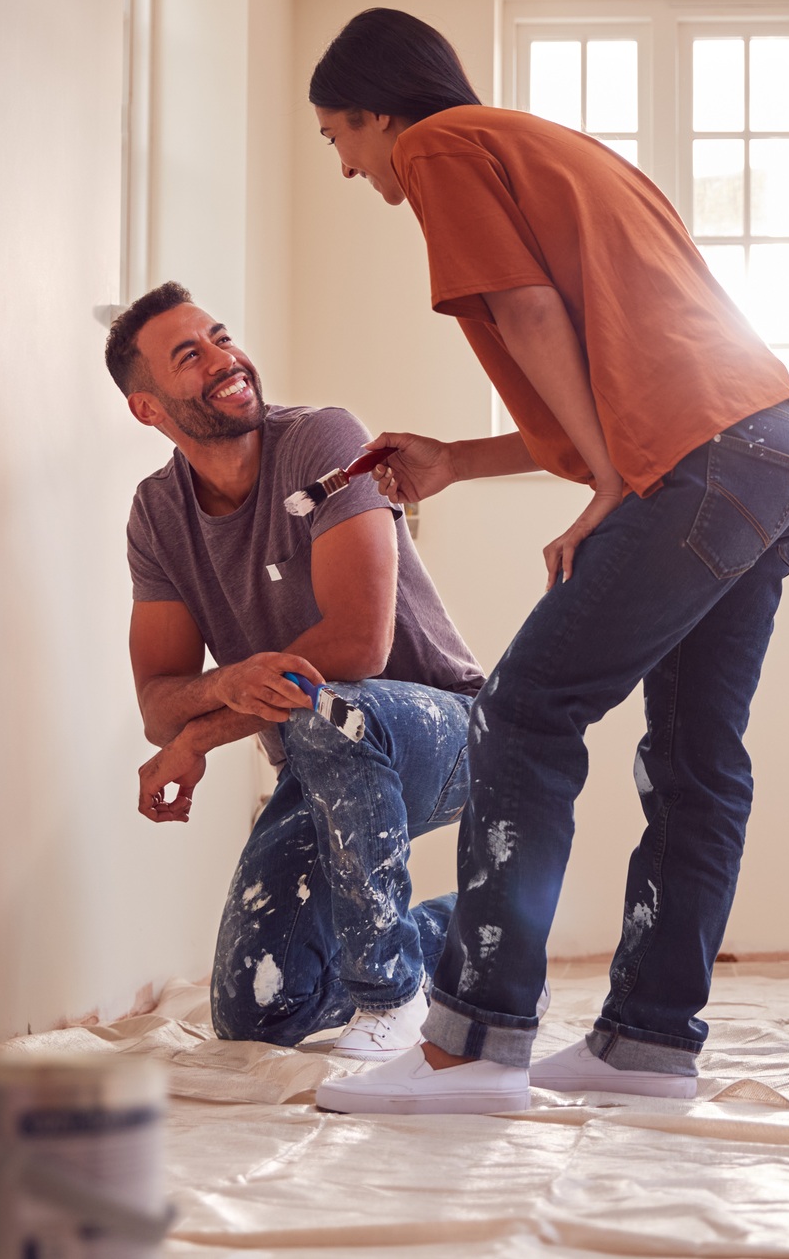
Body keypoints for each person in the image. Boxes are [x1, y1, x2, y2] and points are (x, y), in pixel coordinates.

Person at [308, 9, 789, 1116]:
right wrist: (459, 458)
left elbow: (529, 313)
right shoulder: (559, 151)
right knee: (695, 755)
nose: (348, 166)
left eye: (337, 136)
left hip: (693, 460)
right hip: (769, 451)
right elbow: (612, 358)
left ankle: (473, 1046)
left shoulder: (441, 145)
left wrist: (609, 480)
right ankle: (645, 1045)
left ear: (378, 111)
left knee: (525, 711)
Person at [110, 281, 486, 1060]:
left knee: (331, 710)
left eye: (220, 336)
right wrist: (219, 688)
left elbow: (357, 647)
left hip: (445, 732)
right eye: (190, 356)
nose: (224, 358)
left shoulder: (324, 440)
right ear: (148, 409)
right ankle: (478, 942)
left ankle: (392, 1001)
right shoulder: (158, 514)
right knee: (257, 1009)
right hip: (320, 757)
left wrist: (200, 738)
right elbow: (157, 703)